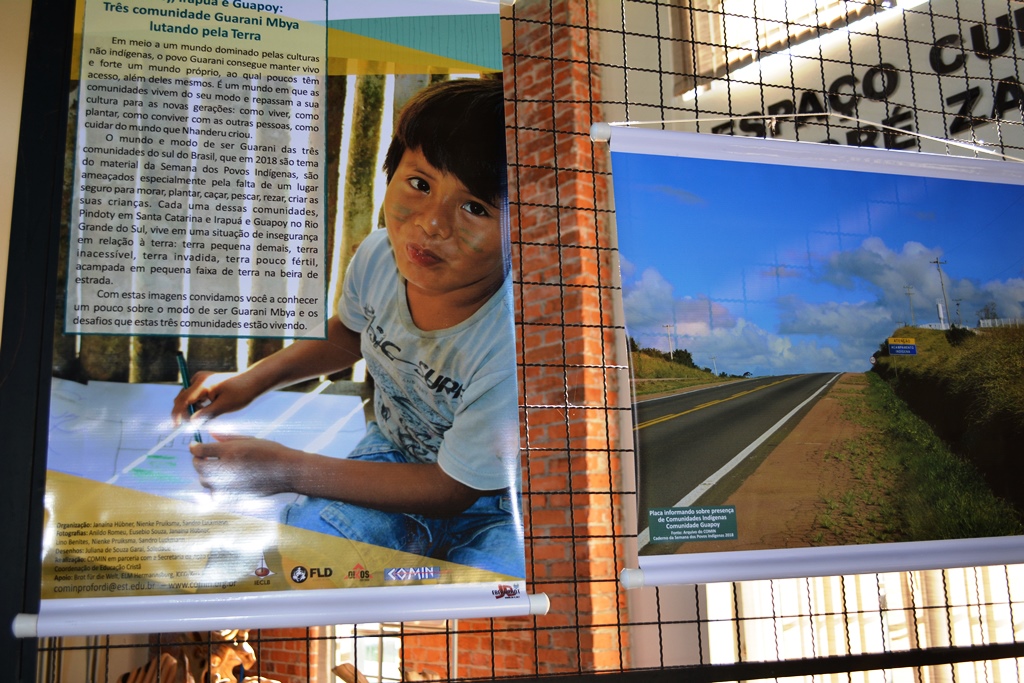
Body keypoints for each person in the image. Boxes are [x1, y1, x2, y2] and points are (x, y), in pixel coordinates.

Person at [171, 77, 523, 577]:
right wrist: (250, 382)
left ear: (524, 229)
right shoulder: (380, 257)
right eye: (420, 184)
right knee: (310, 549)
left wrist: (286, 469)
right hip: (395, 457)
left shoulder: (511, 340)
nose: (431, 223)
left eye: (475, 207)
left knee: (499, 592)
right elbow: (347, 335)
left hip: (502, 503)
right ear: (390, 173)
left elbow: (453, 489)